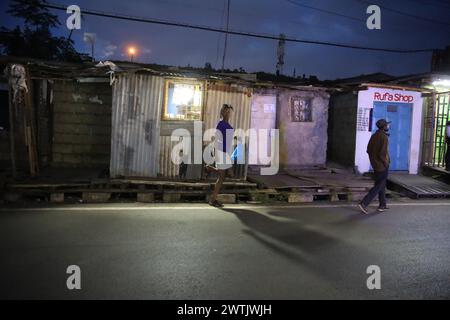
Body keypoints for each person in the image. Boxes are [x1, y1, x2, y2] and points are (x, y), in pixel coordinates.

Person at [358, 118, 391, 214]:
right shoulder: (384, 137)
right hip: (382, 165)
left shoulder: (374, 135)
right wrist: (385, 163)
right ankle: (364, 203)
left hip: (376, 165)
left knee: (382, 185)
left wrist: (374, 160)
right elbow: (382, 153)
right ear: (384, 127)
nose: (388, 126)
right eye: (387, 125)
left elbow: (368, 150)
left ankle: (382, 205)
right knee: (379, 185)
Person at [207, 104, 234, 207]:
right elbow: (218, 140)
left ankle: (209, 168)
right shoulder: (221, 124)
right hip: (221, 152)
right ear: (222, 112)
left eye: (229, 111)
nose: (228, 113)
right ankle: (213, 200)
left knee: (223, 175)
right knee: (223, 176)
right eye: (226, 111)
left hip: (225, 151)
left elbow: (228, 142)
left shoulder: (227, 125)